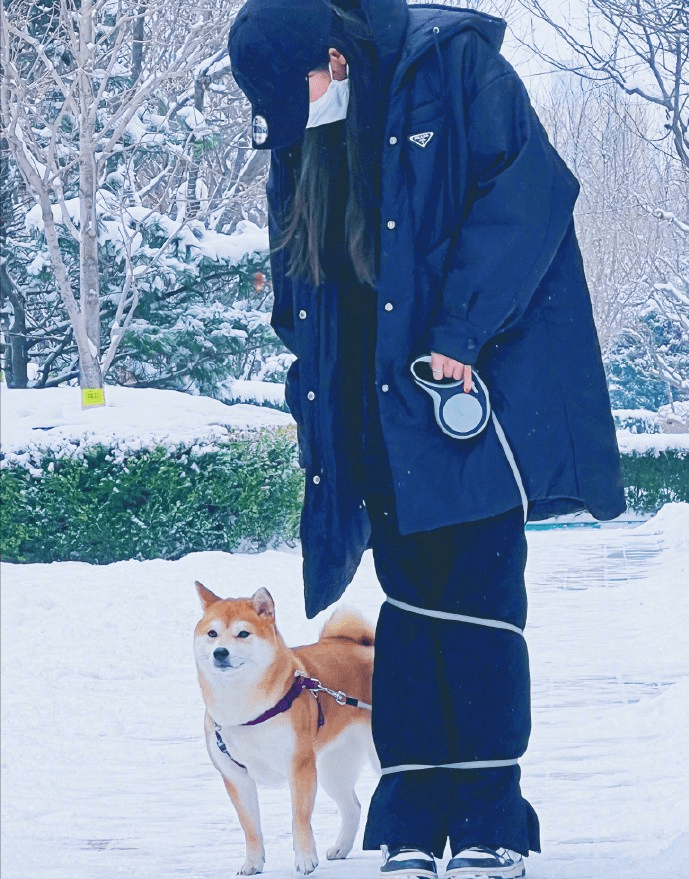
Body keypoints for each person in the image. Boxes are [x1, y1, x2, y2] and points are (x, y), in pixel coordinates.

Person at [229, 1, 626, 877]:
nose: (298, 123)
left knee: (477, 601)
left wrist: (457, 329)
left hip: (470, 387)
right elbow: (304, 282)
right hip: (374, 407)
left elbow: (532, 195)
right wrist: (311, 390)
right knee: (409, 606)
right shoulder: (309, 131)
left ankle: (491, 813)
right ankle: (409, 811)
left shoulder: (456, 71)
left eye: (300, 93)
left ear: (335, 55)